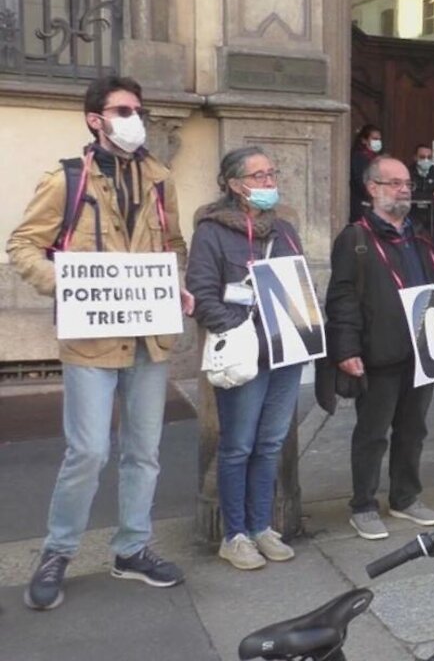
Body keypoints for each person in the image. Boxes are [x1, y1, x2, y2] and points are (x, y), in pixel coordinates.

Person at [7, 76, 192, 609]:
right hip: (91, 337)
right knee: (87, 451)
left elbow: (173, 243)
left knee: (144, 452)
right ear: (96, 119)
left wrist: (175, 284)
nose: (136, 117)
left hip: (149, 339)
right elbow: (23, 246)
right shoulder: (67, 180)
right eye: (124, 109)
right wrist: (68, 284)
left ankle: (132, 548)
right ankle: (58, 552)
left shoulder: (160, 179)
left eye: (140, 108)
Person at [187, 147, 307, 568]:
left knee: (270, 442)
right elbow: (201, 294)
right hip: (244, 354)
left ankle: (261, 526)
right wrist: (236, 331)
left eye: (271, 173)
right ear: (235, 185)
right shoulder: (212, 231)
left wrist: (307, 327)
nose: (269, 182)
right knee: (237, 446)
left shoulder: (286, 231)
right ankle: (234, 534)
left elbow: (298, 285)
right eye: (258, 176)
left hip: (285, 352)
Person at [327, 156, 434, 539]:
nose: (403, 189)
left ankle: (405, 497)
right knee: (372, 433)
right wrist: (346, 350)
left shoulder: (421, 234)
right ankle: (363, 505)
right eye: (394, 183)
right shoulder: (356, 238)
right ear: (373, 188)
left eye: (407, 183)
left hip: (421, 351)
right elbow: (342, 298)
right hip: (378, 352)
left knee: (413, 429)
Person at [409, 143, 434, 239]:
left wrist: (423, 195)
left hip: (431, 217)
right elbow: (409, 194)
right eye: (422, 157)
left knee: (433, 245)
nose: (426, 160)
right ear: (415, 157)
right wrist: (432, 196)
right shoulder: (408, 172)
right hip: (412, 217)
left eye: (429, 157)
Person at [349, 124, 382, 223]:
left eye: (379, 139)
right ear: (364, 140)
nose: (378, 142)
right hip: (361, 203)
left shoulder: (376, 158)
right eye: (374, 139)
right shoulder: (359, 157)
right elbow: (361, 181)